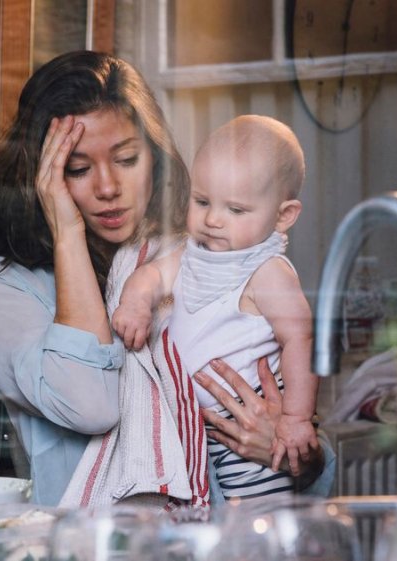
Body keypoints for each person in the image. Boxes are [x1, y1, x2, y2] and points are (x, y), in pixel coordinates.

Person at [0, 50, 332, 507]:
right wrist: (68, 230)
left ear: (154, 159)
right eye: (76, 169)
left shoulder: (202, 258)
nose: (108, 187)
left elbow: (313, 461)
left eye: (127, 159)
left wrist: (293, 452)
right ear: (40, 175)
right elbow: (91, 404)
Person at [112, 115, 319, 499]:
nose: (212, 220)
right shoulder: (193, 254)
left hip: (247, 429)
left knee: (258, 520)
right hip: (196, 430)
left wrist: (295, 419)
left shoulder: (267, 271)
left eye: (236, 210)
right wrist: (136, 303)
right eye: (202, 201)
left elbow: (301, 340)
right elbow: (152, 276)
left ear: (283, 216)